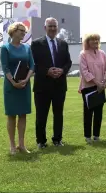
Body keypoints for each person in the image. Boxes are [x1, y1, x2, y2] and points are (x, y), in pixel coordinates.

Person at [31, 17, 72, 149]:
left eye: (54, 26)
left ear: (57, 28)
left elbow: (68, 62)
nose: (53, 28)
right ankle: (41, 141)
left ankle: (57, 139)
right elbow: (32, 64)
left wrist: (62, 70)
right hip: (42, 86)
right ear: (45, 28)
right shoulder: (36, 44)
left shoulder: (63, 44)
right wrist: (46, 71)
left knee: (58, 114)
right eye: (50, 26)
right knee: (41, 115)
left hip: (59, 85)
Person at [0, 22, 35, 155]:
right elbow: (5, 67)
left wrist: (26, 79)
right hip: (11, 86)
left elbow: (32, 65)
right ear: (13, 31)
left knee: (23, 114)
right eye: (21, 31)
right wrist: (13, 82)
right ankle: (12, 146)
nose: (23, 33)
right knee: (11, 115)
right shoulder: (5, 48)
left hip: (24, 85)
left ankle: (22, 145)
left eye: (25, 32)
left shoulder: (27, 47)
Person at [78, 33, 106, 143]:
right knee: (88, 112)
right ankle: (87, 136)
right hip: (88, 87)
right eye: (93, 40)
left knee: (99, 112)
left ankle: (96, 135)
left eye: (97, 40)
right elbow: (84, 71)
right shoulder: (83, 54)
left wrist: (104, 82)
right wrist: (97, 83)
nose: (95, 42)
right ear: (87, 42)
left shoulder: (102, 53)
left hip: (101, 87)